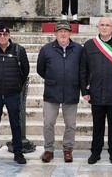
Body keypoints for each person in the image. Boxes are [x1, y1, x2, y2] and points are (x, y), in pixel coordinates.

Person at [80, 17, 112, 165]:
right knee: (97, 125)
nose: (104, 27)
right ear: (98, 27)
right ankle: (95, 153)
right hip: (95, 92)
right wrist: (84, 90)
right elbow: (83, 69)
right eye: (102, 25)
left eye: (107, 25)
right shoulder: (90, 45)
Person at [0, 22, 30, 164]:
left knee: (16, 124)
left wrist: (16, 85)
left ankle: (18, 153)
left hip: (13, 94)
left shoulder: (18, 50)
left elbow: (25, 71)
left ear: (9, 35)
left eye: (5, 34)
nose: (2, 37)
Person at [37, 20, 83, 163]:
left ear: (70, 33)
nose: (63, 33)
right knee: (48, 123)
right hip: (52, 91)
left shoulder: (79, 49)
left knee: (70, 124)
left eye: (66, 31)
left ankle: (68, 149)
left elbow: (83, 69)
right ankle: (49, 150)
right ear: (55, 33)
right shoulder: (46, 49)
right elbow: (41, 69)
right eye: (60, 31)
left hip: (71, 90)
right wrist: (53, 79)